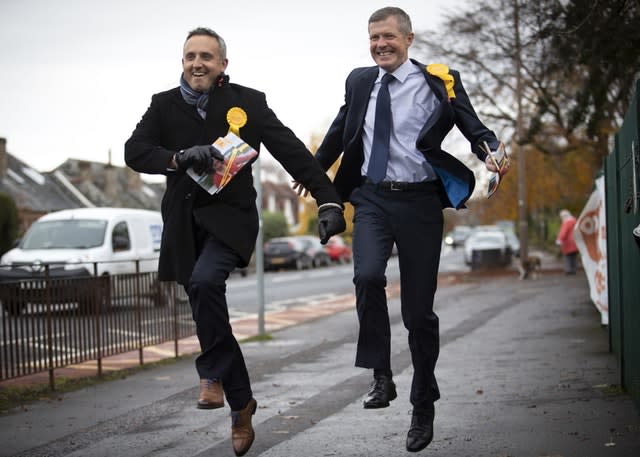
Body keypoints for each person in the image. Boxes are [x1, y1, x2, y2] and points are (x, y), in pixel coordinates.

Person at [124, 27, 345, 457]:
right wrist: (175, 158)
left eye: (206, 56)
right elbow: (135, 150)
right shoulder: (163, 105)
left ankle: (211, 374)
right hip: (184, 226)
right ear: (182, 62)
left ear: (223, 64)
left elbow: (292, 152)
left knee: (206, 284)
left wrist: (329, 201)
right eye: (190, 56)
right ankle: (241, 404)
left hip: (231, 222)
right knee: (206, 306)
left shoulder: (248, 102)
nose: (197, 63)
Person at [311, 6, 508, 453]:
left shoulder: (440, 80)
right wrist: (315, 171)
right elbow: (343, 128)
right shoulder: (360, 80)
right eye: (373, 38)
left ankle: (424, 402)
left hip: (420, 201)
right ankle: (381, 374)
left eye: (388, 37)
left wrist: (492, 151)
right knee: (366, 276)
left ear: (409, 39)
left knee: (419, 314)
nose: (380, 45)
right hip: (373, 197)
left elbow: (475, 128)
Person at [556, 209, 578, 274]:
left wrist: (559, 240)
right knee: (574, 257)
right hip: (575, 241)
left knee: (567, 257)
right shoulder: (575, 221)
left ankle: (568, 270)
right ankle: (574, 269)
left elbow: (563, 232)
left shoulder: (566, 222)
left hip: (568, 243)